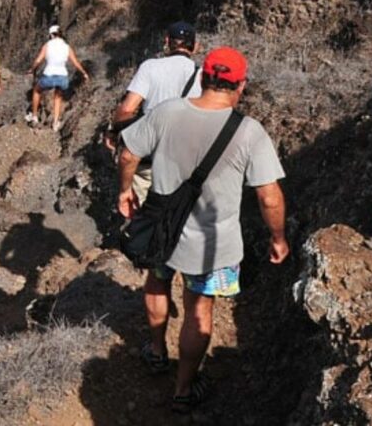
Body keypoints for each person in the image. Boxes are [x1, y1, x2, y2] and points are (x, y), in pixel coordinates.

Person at [116, 46, 289, 414]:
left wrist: (125, 191)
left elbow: (128, 153)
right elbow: (269, 196)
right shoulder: (249, 132)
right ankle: (183, 388)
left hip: (162, 231)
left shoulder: (167, 112)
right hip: (213, 244)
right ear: (241, 85)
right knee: (199, 310)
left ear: (205, 77)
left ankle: (157, 351)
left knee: (157, 282)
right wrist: (278, 238)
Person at [104, 21, 201, 203]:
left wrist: (113, 131)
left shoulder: (150, 67)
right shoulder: (203, 75)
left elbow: (127, 109)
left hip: (149, 153)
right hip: (184, 159)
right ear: (195, 46)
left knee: (141, 210)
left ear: (167, 41)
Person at [26, 25, 88, 131]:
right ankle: (55, 123)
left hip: (49, 75)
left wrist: (31, 69)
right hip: (62, 77)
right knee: (58, 97)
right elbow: (75, 62)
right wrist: (84, 73)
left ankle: (35, 116)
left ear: (51, 35)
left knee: (36, 90)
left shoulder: (47, 45)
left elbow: (38, 60)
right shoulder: (67, 47)